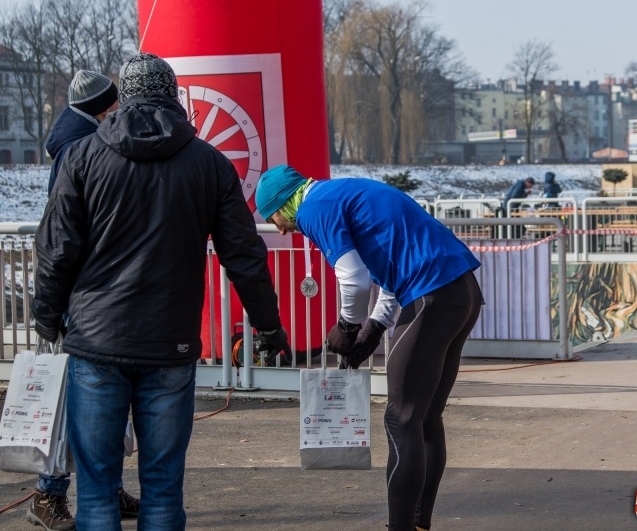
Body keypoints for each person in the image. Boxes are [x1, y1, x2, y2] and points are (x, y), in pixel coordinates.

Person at [32, 53, 290, 530]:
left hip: (95, 341)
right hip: (170, 344)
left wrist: (47, 314)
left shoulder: (81, 157)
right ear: (174, 97)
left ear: (122, 99)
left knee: (95, 491)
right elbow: (244, 256)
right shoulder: (209, 164)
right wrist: (269, 325)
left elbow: (56, 247)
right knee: (164, 489)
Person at [254, 164, 483, 531]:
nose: (280, 228)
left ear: (284, 202)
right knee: (424, 419)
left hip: (432, 296)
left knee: (401, 418)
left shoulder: (314, 207)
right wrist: (375, 327)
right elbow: (391, 274)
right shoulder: (345, 193)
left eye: (274, 216)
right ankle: (420, 524)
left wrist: (347, 327)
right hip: (463, 292)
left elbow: (354, 279)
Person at [31, 70, 139, 531]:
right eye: (114, 108)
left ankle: (104, 489)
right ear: (102, 110)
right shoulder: (79, 152)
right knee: (73, 405)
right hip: (88, 300)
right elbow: (61, 239)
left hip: (93, 297)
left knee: (103, 404)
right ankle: (49, 493)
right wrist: (52, 311)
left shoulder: (80, 145)